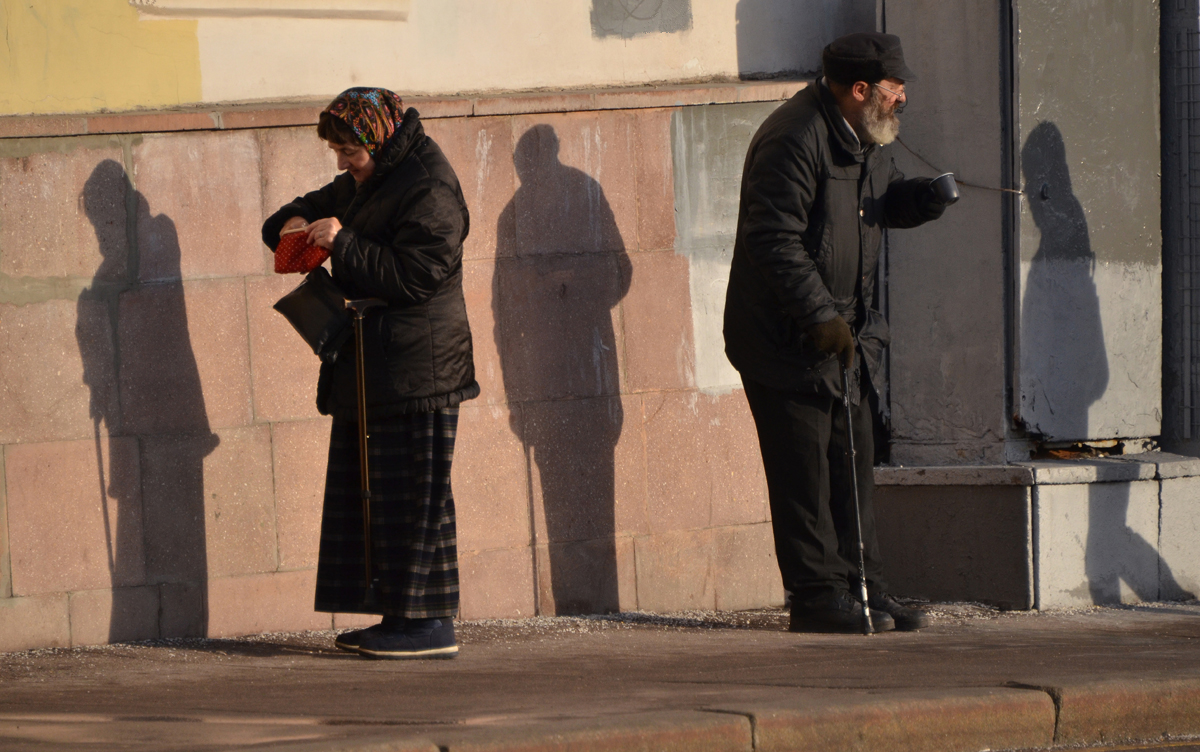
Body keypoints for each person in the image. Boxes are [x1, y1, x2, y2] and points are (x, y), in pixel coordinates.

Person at [723, 33, 952, 633]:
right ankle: (817, 596)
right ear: (859, 90)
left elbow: (872, 207)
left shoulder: (866, 137)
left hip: (845, 336)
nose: (902, 97)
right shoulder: (794, 138)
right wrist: (820, 316)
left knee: (853, 462)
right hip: (785, 341)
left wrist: (921, 200)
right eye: (893, 87)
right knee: (804, 472)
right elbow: (773, 240)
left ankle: (866, 589)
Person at [262, 87, 478, 658]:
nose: (340, 163)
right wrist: (296, 223)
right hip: (378, 363)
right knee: (379, 495)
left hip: (421, 368)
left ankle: (429, 625)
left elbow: (418, 275)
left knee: (420, 496)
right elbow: (299, 210)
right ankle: (399, 621)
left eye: (348, 152)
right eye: (335, 151)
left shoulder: (427, 186)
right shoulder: (372, 175)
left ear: (377, 140)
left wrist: (345, 242)